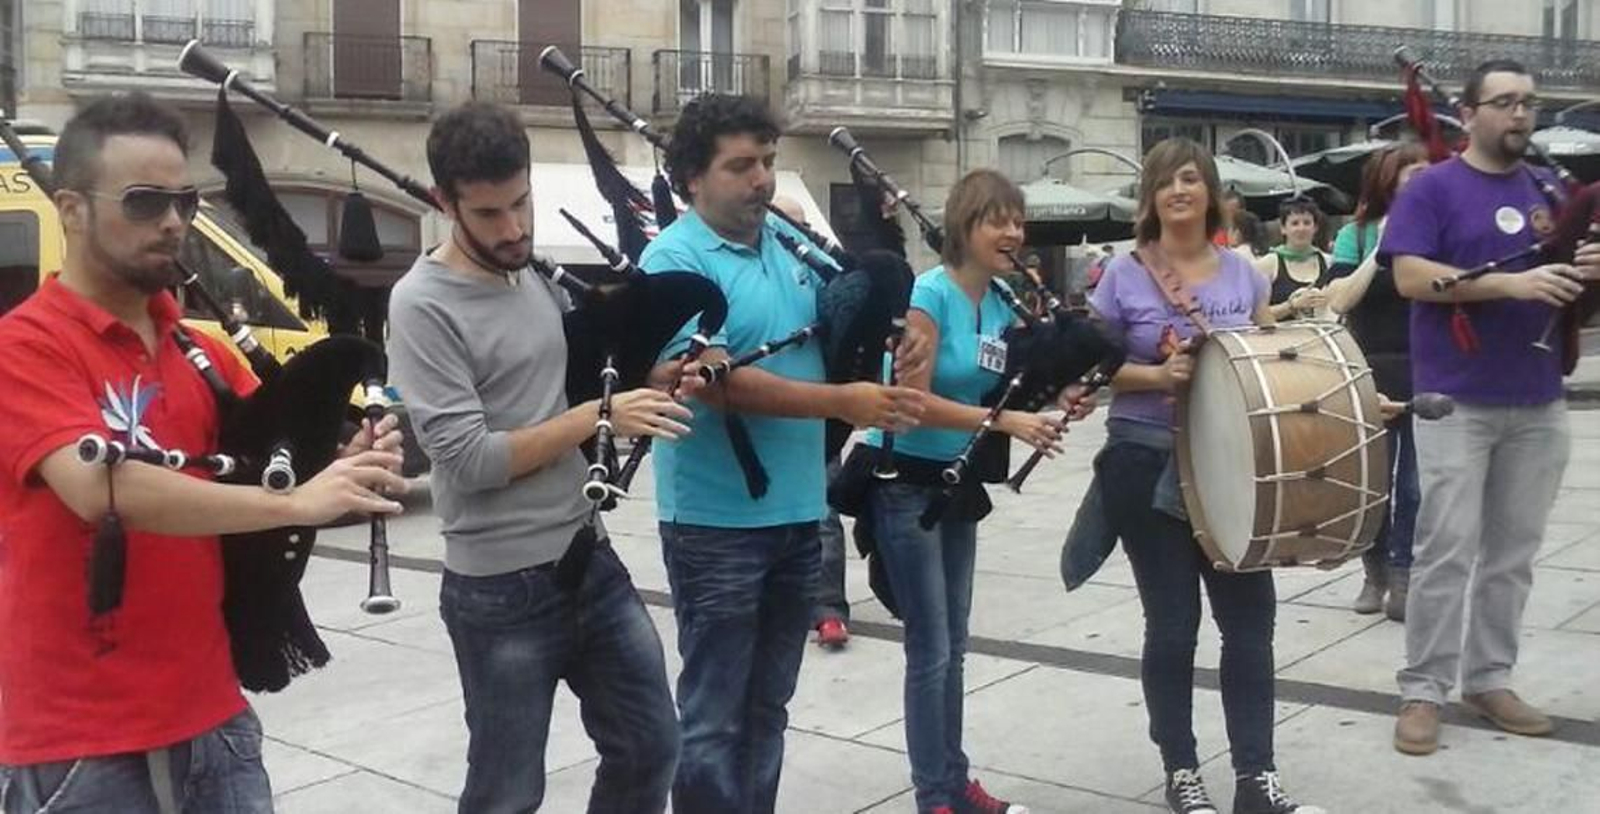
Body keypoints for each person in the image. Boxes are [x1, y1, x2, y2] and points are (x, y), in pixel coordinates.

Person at [0, 93, 406, 814]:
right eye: (144, 200)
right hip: (82, 745)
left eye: (184, 200)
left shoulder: (201, 349)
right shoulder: (25, 347)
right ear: (71, 209)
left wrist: (351, 456)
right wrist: (295, 502)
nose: (173, 221)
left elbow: (278, 450)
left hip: (214, 719)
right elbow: (96, 488)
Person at [387, 102, 687, 812]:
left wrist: (653, 380)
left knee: (652, 745)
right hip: (498, 590)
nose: (514, 228)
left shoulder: (532, 275)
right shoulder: (421, 304)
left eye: (522, 203)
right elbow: (466, 462)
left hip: (588, 557)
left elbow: (567, 388)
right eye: (489, 214)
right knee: (506, 792)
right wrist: (597, 414)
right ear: (444, 203)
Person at [639, 93, 929, 813]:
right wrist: (841, 404)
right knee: (712, 720)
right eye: (741, 166)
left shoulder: (789, 243)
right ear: (693, 179)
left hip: (801, 514)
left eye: (767, 162)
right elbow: (713, 385)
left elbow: (847, 330)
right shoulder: (671, 259)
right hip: (715, 527)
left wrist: (903, 331)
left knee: (769, 711)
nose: (762, 179)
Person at [1085, 138, 1323, 814]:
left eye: (1191, 178)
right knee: (1174, 625)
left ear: (1213, 192)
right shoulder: (1122, 276)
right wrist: (1155, 376)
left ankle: (1257, 778)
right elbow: (1088, 366)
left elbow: (1263, 362)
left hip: (1235, 466)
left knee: (1250, 624)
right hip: (1144, 458)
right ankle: (1182, 771)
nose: (1178, 190)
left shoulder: (1246, 274)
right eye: (1165, 181)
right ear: (1151, 198)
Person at [1384, 59, 1600, 756]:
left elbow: (1570, 292)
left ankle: (1488, 678)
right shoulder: (1435, 187)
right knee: (1445, 550)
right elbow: (1411, 276)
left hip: (1537, 397)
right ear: (1470, 112)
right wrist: (1509, 287)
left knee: (1513, 554)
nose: (1519, 115)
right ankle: (1423, 689)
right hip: (1455, 398)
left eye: (1529, 103)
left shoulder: (1547, 188)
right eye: (1505, 102)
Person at [855, 168, 1083, 814]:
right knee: (931, 649)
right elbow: (910, 402)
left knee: (954, 644)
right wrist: (1004, 422)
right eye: (996, 219)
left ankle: (954, 781)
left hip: (954, 484)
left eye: (1017, 219)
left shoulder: (1000, 303)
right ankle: (936, 797)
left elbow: (1004, 387)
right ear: (964, 227)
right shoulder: (932, 294)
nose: (1012, 231)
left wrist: (1060, 398)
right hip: (903, 484)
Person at [1324, 143, 1430, 621]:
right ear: (1387, 183)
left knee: (1414, 487)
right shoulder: (1358, 234)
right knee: (1374, 486)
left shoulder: (1438, 231)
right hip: (1371, 371)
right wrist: (1383, 249)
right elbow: (1341, 299)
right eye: (1409, 177)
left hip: (1428, 369)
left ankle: (1405, 574)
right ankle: (1375, 571)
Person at [771, 193, 852, 649]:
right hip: (768, 414)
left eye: (797, 223)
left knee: (824, 513)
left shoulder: (822, 271)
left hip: (818, 413)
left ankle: (828, 609)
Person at [1255, 198, 1331, 321]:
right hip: (1281, 338)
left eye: (1307, 223)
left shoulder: (1329, 262)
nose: (1301, 229)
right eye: (1295, 223)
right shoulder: (1268, 264)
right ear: (1283, 229)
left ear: (1315, 228)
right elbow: (1255, 315)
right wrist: (1292, 305)